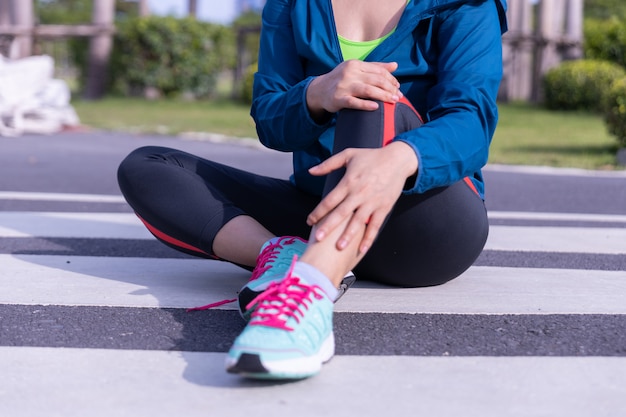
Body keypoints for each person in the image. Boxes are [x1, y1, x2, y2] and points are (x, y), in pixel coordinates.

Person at [117, 0, 508, 380]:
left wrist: (401, 158)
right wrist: (317, 93)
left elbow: (471, 120)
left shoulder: (465, 3)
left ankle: (308, 292)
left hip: (424, 227)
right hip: (320, 209)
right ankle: (283, 255)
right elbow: (270, 120)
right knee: (148, 166)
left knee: (369, 91)